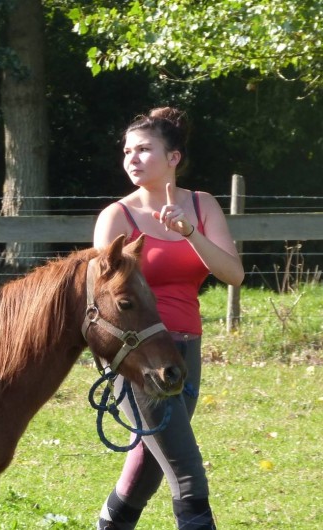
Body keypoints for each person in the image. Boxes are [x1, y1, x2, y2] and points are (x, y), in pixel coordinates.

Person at [92, 107, 244, 529]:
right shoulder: (116, 218)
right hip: (138, 358)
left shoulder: (202, 205)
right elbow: (103, 297)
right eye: (127, 151)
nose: (132, 159)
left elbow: (233, 274)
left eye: (144, 150)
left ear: (173, 157)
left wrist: (190, 234)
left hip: (187, 350)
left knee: (145, 471)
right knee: (188, 477)